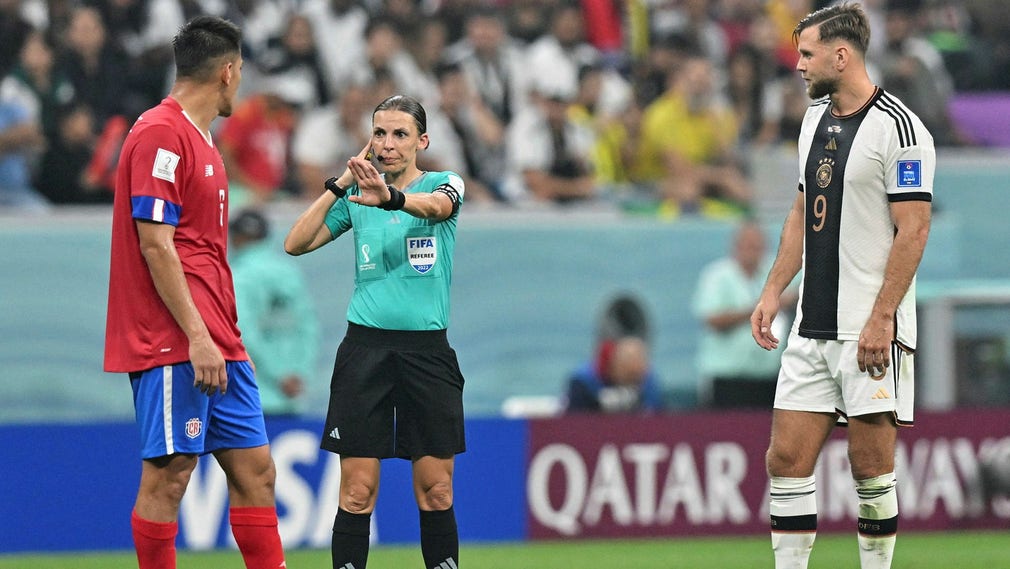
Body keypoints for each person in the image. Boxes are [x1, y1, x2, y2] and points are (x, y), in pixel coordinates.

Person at [749, 4, 934, 569]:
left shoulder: (900, 128)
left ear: (841, 54)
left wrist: (883, 318)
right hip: (812, 325)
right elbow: (803, 209)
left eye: (806, 54)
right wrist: (773, 289)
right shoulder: (813, 120)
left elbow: (914, 228)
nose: (798, 65)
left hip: (867, 327)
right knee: (784, 460)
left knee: (871, 468)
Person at [102, 16, 286, 569]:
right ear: (228, 73)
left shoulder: (203, 140)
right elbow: (157, 246)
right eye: (242, 73)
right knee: (170, 476)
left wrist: (225, 336)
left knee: (257, 472)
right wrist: (199, 337)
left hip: (217, 337)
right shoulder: (162, 132)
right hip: (175, 339)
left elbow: (201, 254)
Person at [284, 94, 466, 569]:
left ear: (421, 141)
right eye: (379, 133)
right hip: (365, 351)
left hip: (427, 355)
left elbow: (436, 209)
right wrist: (340, 183)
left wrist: (393, 199)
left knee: (437, 490)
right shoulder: (357, 198)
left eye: (400, 134)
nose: (388, 144)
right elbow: (295, 242)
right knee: (358, 492)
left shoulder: (445, 183)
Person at [230, 208, 320, 417]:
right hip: (292, 394)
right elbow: (308, 326)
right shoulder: (289, 271)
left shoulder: (236, 276)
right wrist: (298, 374)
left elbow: (242, 331)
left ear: (235, 238)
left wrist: (278, 375)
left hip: (251, 395)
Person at [693, 220, 790, 409]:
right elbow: (712, 318)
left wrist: (788, 298)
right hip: (727, 376)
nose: (752, 251)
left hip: (770, 375)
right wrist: (758, 309)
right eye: (747, 245)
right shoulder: (717, 276)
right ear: (735, 246)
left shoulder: (775, 273)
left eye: (757, 246)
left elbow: (798, 292)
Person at [565, 335, 664, 413]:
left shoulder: (648, 381)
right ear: (616, 363)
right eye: (629, 372)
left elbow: (656, 415)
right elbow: (574, 421)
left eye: (640, 369)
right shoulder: (584, 382)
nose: (636, 374)